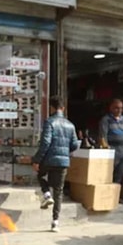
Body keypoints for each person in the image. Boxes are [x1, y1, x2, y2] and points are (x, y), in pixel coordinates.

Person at [32, 96, 79, 232]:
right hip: (63, 161)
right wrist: (65, 152)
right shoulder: (70, 125)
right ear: (63, 108)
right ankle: (55, 222)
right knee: (58, 191)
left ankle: (46, 194)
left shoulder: (49, 122)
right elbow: (75, 144)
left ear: (51, 108)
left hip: (49, 159)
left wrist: (36, 160)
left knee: (40, 175)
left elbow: (45, 143)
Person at [99, 98, 123, 184]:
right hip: (112, 152)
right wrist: (107, 151)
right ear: (111, 108)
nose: (119, 110)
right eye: (116, 108)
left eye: (121, 108)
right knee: (108, 176)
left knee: (119, 177)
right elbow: (103, 136)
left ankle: (115, 196)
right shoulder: (106, 120)